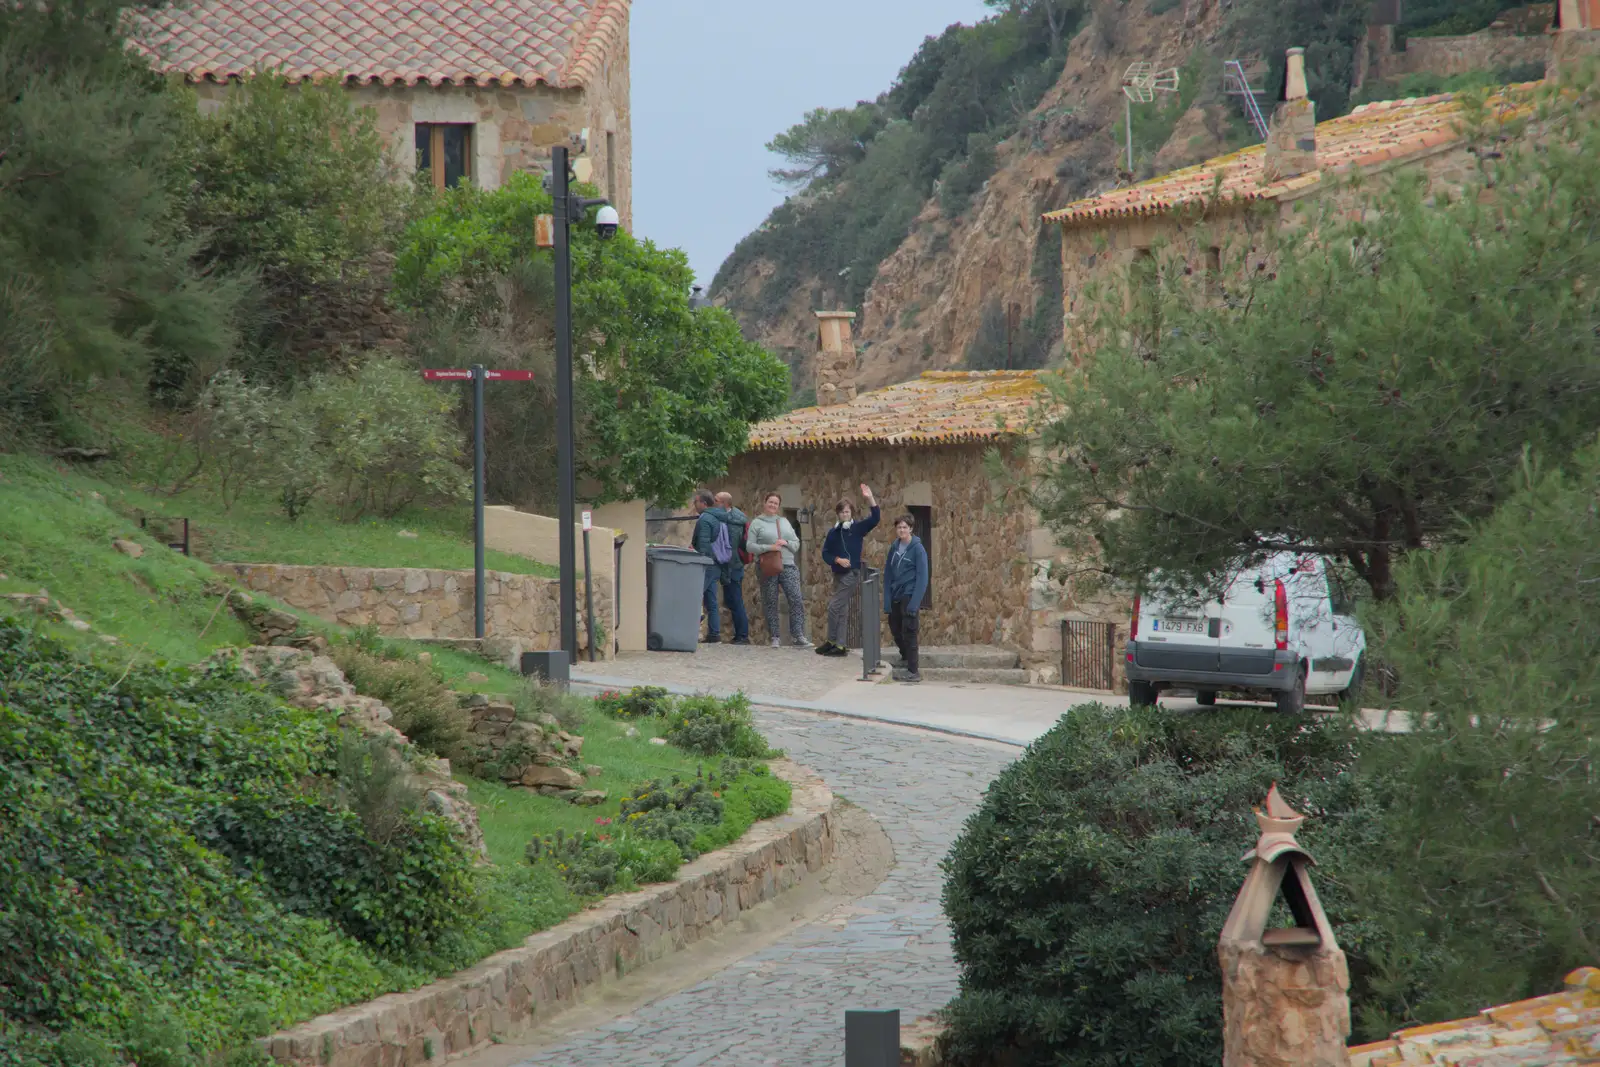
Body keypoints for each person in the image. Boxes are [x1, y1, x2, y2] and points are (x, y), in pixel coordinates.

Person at [816, 483, 880, 657]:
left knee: (833, 607)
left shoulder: (857, 529)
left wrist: (870, 498)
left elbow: (875, 518)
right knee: (841, 609)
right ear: (838, 514)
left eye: (848, 512)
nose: (845, 514)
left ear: (851, 513)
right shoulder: (833, 533)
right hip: (838, 573)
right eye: (843, 512)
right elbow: (825, 553)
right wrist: (837, 559)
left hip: (852, 574)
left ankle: (831, 640)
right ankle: (840, 645)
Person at [745, 491, 811, 648]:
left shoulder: (784, 522)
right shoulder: (757, 523)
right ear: (765, 503)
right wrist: (770, 547)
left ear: (778, 506)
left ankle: (798, 635)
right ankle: (774, 636)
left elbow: (796, 543)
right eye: (770, 502)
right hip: (768, 565)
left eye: (776, 503)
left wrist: (786, 542)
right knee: (770, 600)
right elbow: (749, 546)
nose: (773, 505)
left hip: (788, 564)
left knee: (795, 598)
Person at [691, 490, 750, 644]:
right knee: (722, 599)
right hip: (728, 562)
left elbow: (710, 543)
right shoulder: (734, 519)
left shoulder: (716, 519)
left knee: (732, 599)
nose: (713, 502)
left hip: (725, 563)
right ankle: (726, 634)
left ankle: (741, 636)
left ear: (724, 504)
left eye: (716, 500)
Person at [882, 513, 929, 683]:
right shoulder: (894, 548)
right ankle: (905, 654)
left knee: (909, 631)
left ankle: (913, 670)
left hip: (909, 594)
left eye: (904, 527)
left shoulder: (918, 549)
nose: (901, 530)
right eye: (899, 527)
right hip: (896, 593)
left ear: (911, 529)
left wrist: (914, 603)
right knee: (895, 627)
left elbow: (922, 577)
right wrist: (887, 600)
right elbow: (887, 574)